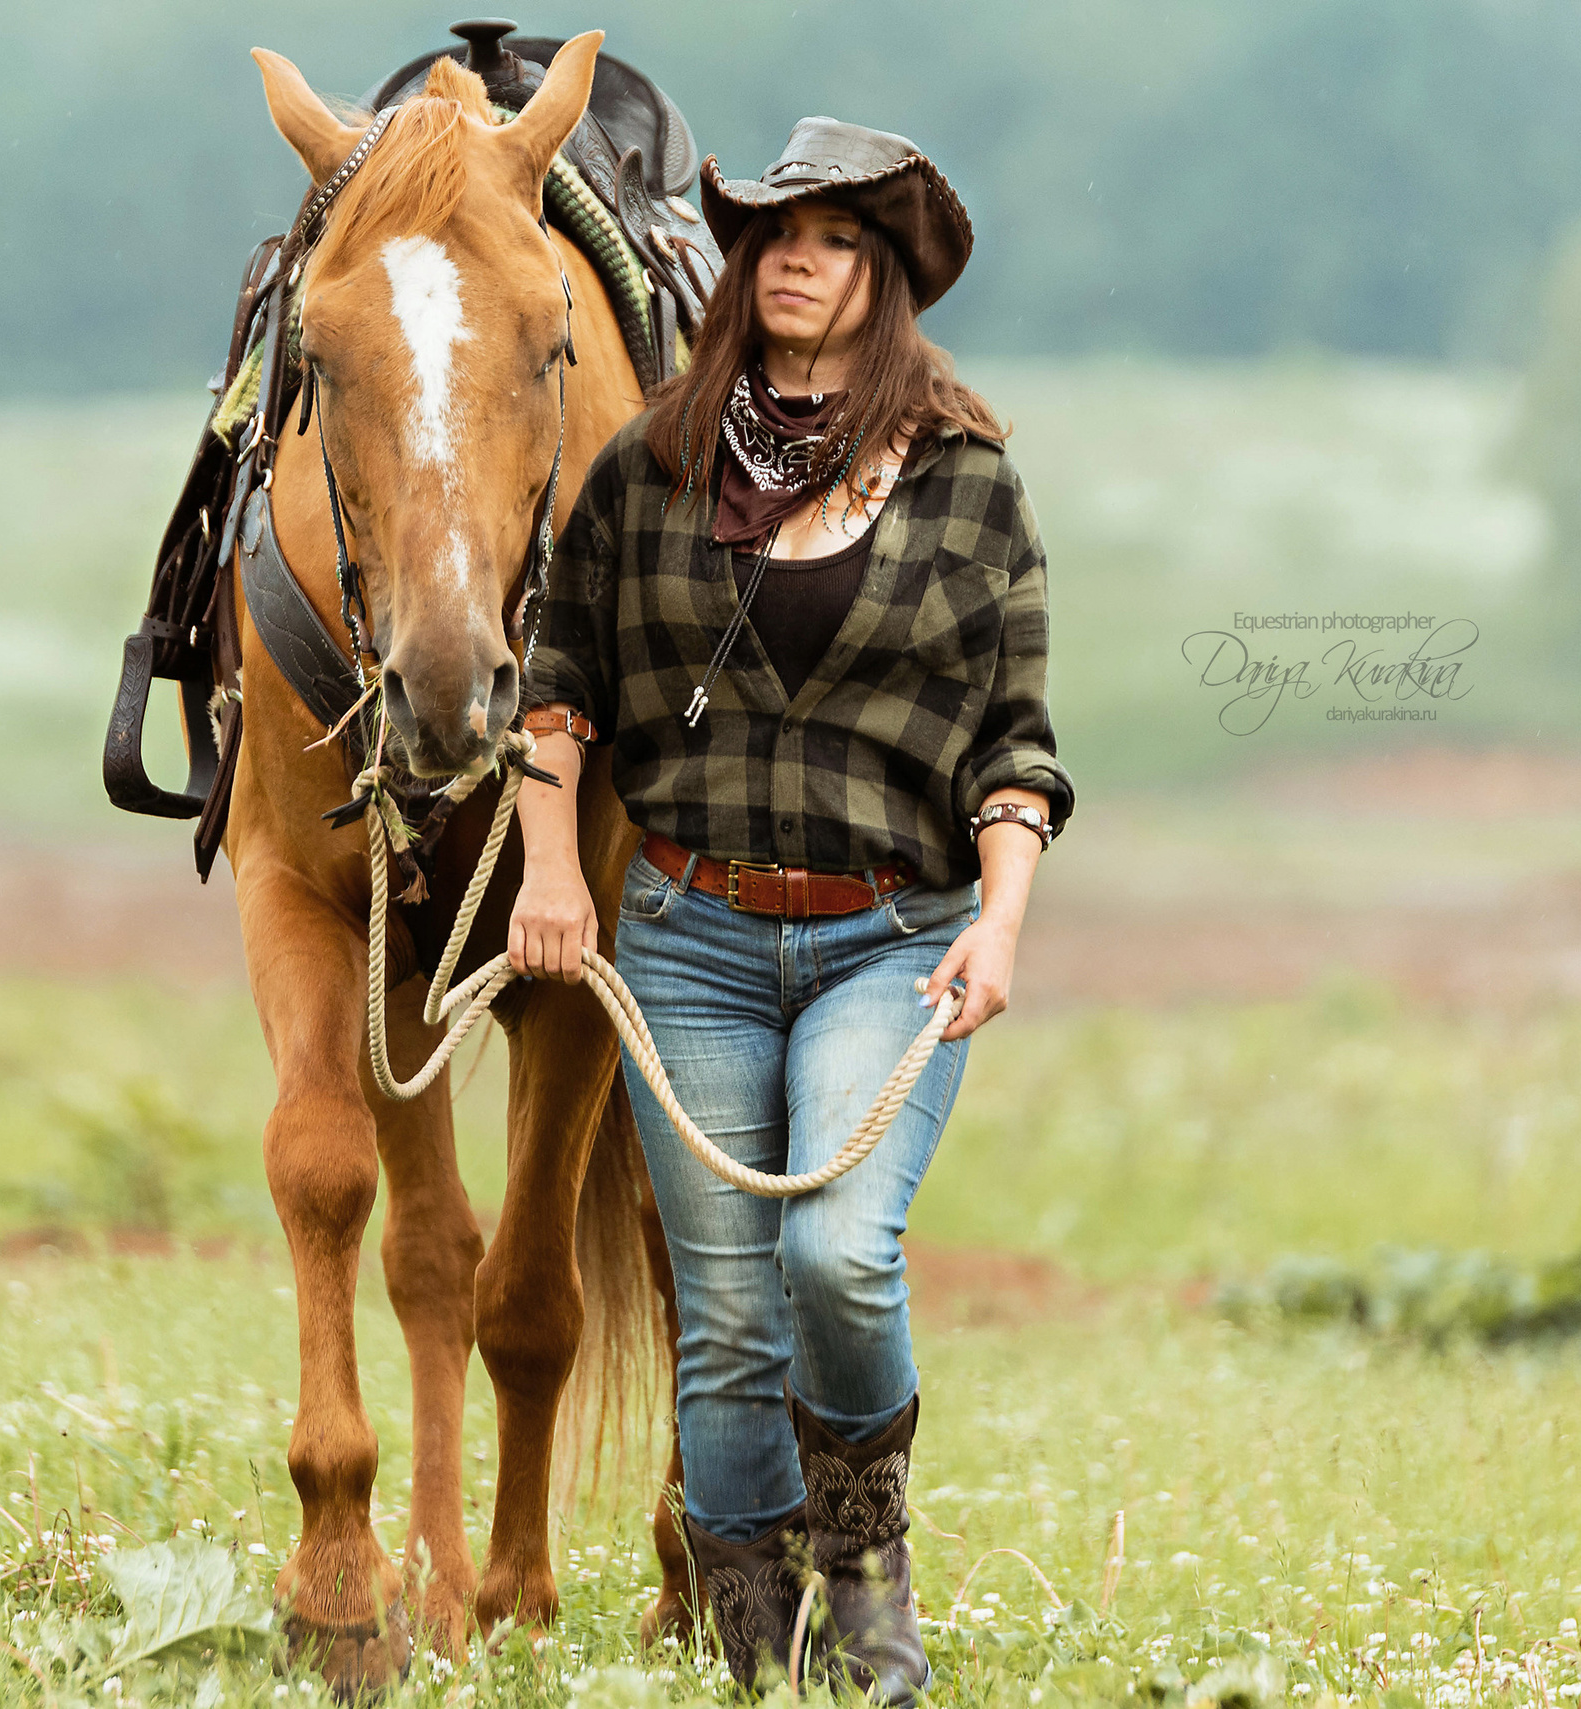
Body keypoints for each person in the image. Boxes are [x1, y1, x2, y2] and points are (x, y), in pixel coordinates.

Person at [506, 116, 1072, 1699]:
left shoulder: (967, 483)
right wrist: (555, 870)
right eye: (772, 234)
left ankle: (867, 1569)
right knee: (728, 1309)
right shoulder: (654, 466)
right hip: (684, 935)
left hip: (890, 938)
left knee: (834, 1255)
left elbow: (1016, 741)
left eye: (831, 238)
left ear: (884, 276)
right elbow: (558, 686)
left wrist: (1001, 923)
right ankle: (755, 1639)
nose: (794, 259)